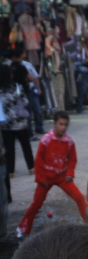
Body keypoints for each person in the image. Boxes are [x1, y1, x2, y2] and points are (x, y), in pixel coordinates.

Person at [17, 110, 87, 237]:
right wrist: (41, 178)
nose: (63, 127)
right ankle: (23, 227)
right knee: (36, 204)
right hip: (46, 179)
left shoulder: (69, 142)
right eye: (61, 124)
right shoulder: (46, 140)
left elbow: (72, 159)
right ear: (54, 124)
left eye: (65, 124)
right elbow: (38, 161)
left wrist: (70, 173)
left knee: (79, 197)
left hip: (62, 177)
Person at [0, 62, 34, 200]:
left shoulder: (0, 91)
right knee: (26, 146)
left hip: (6, 126)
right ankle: (31, 168)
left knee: (9, 149)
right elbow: (25, 102)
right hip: (20, 123)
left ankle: (11, 172)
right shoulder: (18, 87)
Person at [10, 43, 44, 137]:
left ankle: (38, 128)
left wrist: (38, 88)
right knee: (27, 112)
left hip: (29, 90)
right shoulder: (18, 67)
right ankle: (28, 132)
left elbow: (35, 77)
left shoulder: (26, 65)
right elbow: (31, 78)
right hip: (23, 91)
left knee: (35, 110)